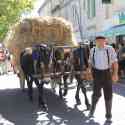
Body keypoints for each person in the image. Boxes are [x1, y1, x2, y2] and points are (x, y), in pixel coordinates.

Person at [88, 36, 118, 122]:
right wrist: (89, 70)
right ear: (95, 42)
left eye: (102, 41)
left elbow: (115, 62)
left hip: (107, 73)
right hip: (97, 74)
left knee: (108, 94)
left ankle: (108, 115)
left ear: (105, 41)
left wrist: (115, 74)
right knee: (96, 94)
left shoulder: (110, 49)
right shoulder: (92, 50)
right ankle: (92, 110)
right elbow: (90, 62)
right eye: (98, 41)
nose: (100, 42)